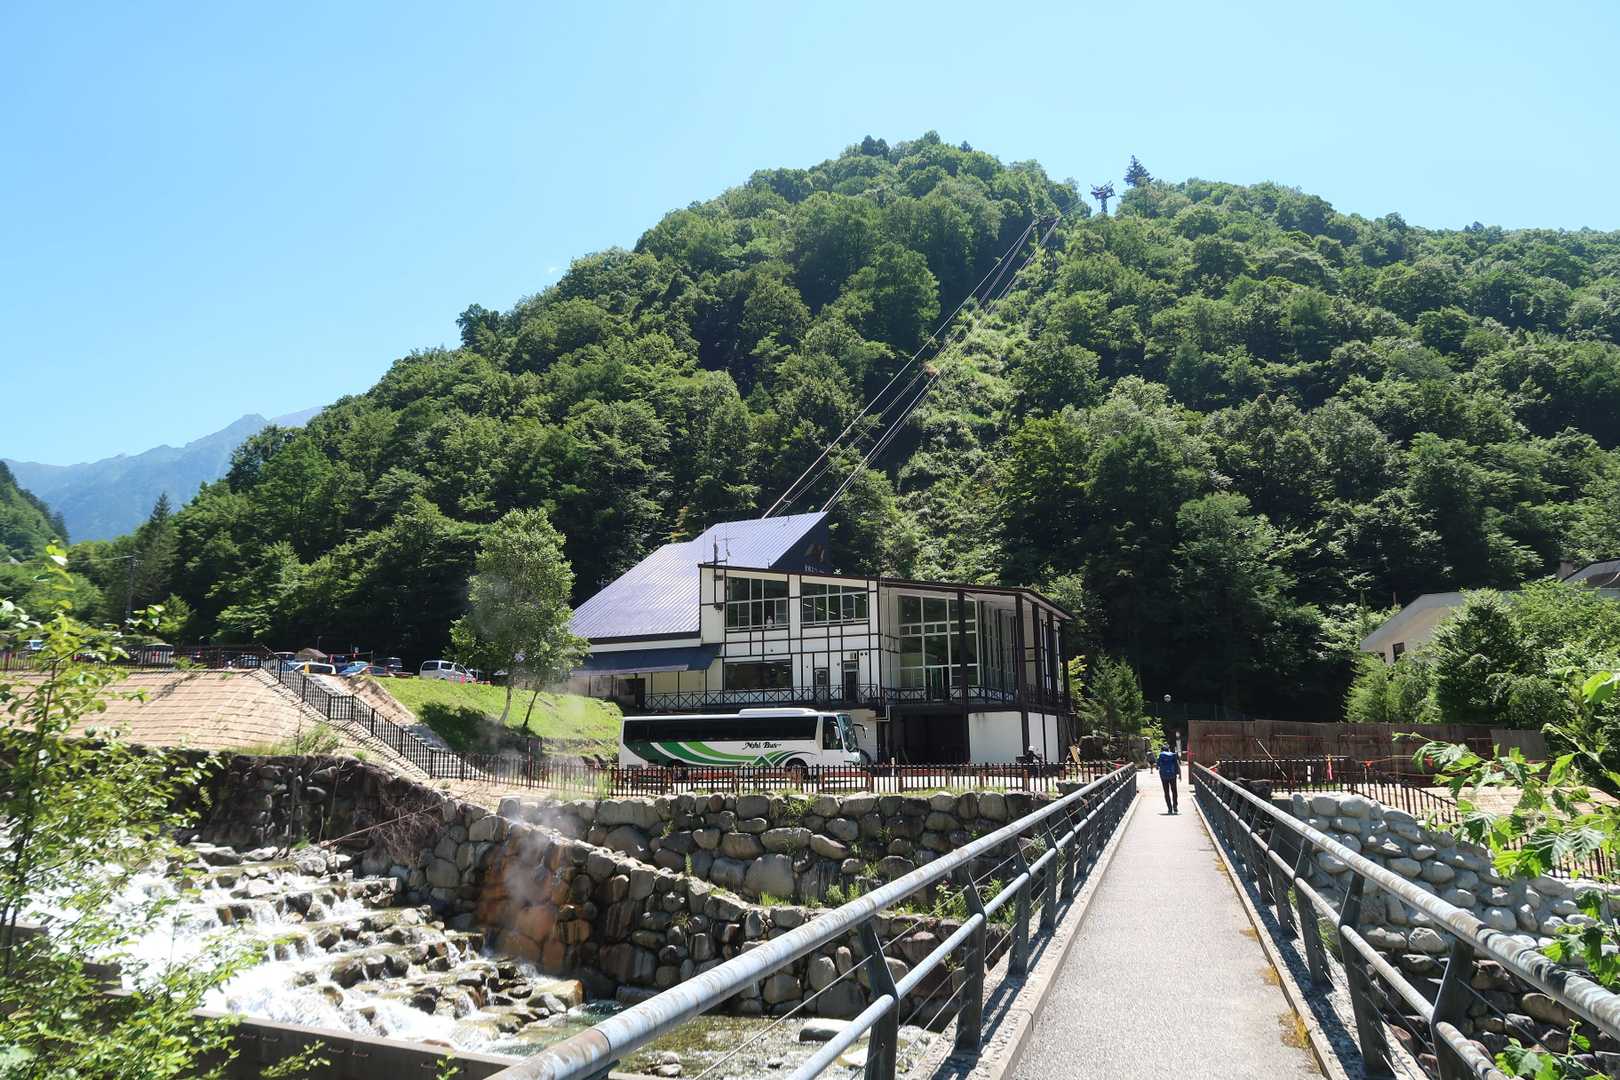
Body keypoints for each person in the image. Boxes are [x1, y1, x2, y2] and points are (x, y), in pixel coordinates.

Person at [1156, 744, 1180, 814]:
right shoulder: (1173, 755)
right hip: (1172, 775)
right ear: (1168, 749)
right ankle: (1175, 806)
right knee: (1174, 791)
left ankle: (1169, 808)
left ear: (1162, 750)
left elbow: (1157, 766)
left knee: (1166, 792)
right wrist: (1178, 774)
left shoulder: (1161, 755)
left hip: (1164, 776)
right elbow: (1176, 765)